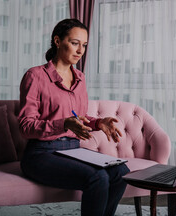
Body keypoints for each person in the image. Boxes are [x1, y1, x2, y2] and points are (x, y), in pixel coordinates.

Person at [18, 18, 130, 216]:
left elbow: (77, 116)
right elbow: (26, 126)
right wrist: (63, 124)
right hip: (41, 153)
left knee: (120, 173)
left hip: (72, 150)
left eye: (84, 45)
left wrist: (97, 122)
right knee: (98, 178)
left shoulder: (80, 77)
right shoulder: (35, 76)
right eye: (75, 43)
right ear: (58, 41)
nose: (80, 51)